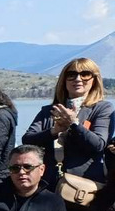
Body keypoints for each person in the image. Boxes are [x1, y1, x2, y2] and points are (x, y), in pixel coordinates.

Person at [22, 58, 112, 190]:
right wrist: (54, 131)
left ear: (94, 80)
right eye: (71, 75)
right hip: (48, 184)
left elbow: (98, 144)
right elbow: (27, 140)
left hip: (83, 187)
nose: (78, 79)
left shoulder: (102, 109)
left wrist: (74, 124)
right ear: (64, 80)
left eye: (85, 74)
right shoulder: (49, 111)